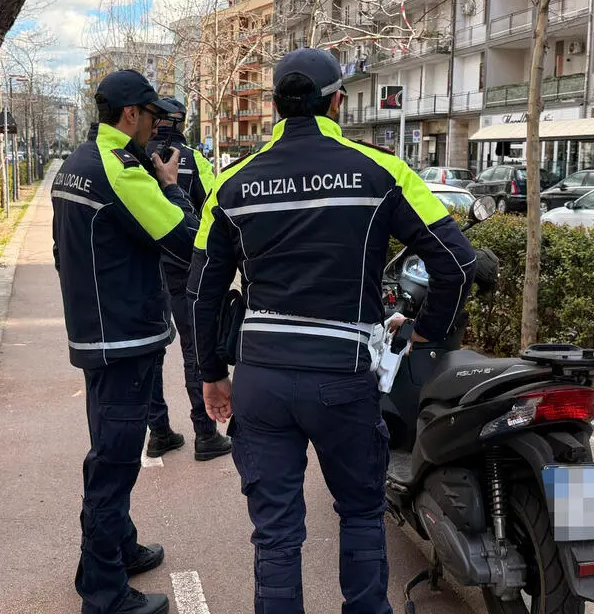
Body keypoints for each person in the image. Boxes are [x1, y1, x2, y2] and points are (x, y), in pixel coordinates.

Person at [187, 48, 479, 612]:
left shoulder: (229, 184)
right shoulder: (383, 171)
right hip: (342, 376)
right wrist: (428, 332)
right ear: (337, 102)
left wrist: (212, 374)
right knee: (362, 514)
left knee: (275, 533)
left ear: (275, 106)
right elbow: (458, 262)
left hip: (262, 378)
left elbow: (202, 292)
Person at [52, 69, 197, 614]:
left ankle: (116, 550)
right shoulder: (121, 171)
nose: (159, 126)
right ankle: (104, 593)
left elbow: (64, 251)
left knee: (109, 450)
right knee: (113, 465)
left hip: (96, 334)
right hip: (124, 337)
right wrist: (171, 186)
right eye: (154, 115)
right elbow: (185, 239)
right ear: (131, 114)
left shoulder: (78, 162)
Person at [142, 98, 233, 461]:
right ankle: (205, 434)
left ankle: (159, 432)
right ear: (181, 122)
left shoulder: (132, 158)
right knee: (194, 350)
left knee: (150, 351)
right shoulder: (194, 161)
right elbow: (212, 213)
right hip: (184, 270)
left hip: (144, 272)